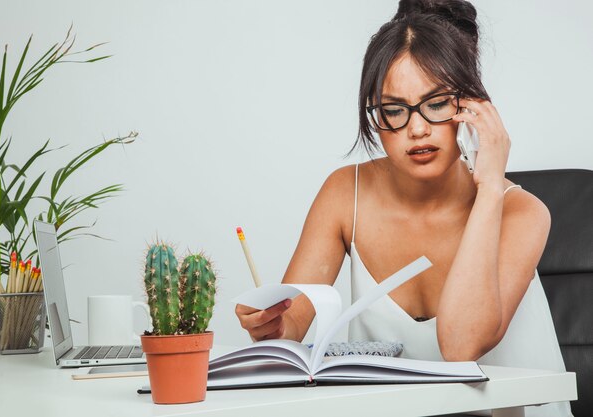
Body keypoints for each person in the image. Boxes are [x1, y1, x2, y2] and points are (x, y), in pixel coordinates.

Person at [235, 1, 571, 415]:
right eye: (393, 110)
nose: (416, 128)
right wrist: (271, 327)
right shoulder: (345, 194)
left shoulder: (523, 212)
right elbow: (292, 327)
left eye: (436, 104)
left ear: (470, 107)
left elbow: (461, 347)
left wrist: (488, 188)